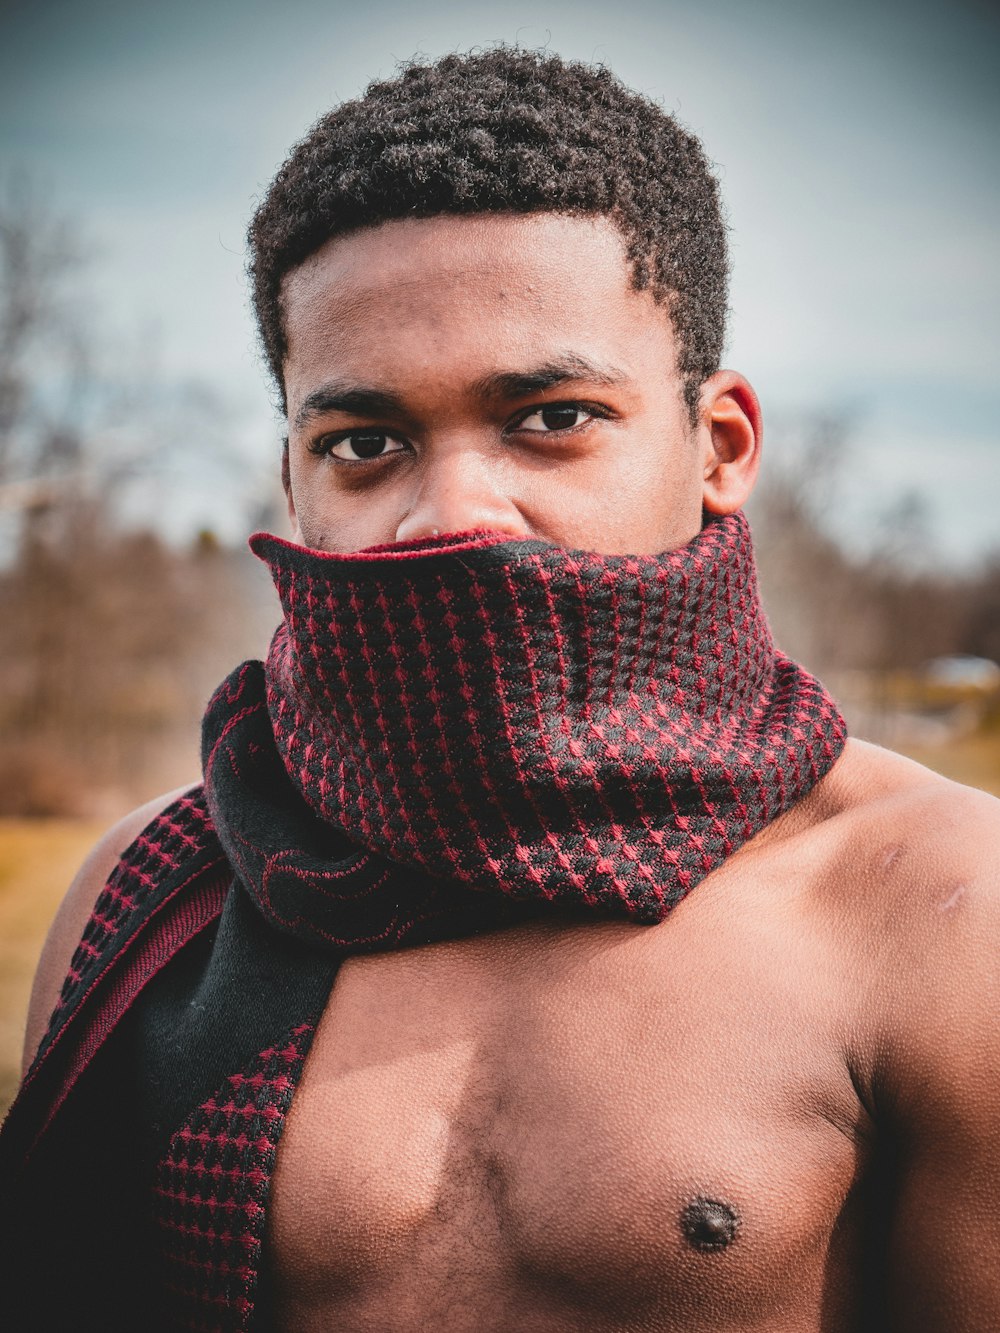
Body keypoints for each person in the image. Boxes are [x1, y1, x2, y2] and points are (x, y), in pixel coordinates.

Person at [3, 47, 999, 1333]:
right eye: (365, 443)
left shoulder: (937, 913)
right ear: (293, 477)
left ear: (720, 445)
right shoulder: (153, 896)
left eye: (551, 418)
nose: (451, 513)